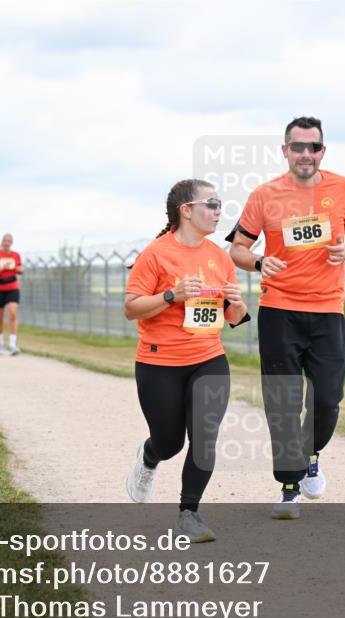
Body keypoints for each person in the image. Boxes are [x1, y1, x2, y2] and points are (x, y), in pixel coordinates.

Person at [226, 116, 345, 520]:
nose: (306, 154)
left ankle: (311, 454)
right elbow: (237, 247)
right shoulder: (264, 195)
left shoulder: (342, 188)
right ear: (284, 150)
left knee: (327, 399)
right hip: (279, 311)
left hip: (327, 311)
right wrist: (257, 262)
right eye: (298, 146)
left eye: (314, 147)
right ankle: (289, 487)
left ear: (323, 151)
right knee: (283, 402)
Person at [124, 179, 249, 543]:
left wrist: (238, 304)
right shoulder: (156, 255)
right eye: (211, 203)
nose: (218, 210)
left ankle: (188, 513)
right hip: (159, 363)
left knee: (205, 438)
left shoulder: (219, 256)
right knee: (169, 443)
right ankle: (149, 457)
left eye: (219, 203)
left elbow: (233, 318)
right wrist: (171, 294)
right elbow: (131, 308)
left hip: (208, 358)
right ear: (187, 210)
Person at [0, 233, 24, 355]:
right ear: (2, 242)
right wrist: (0, 269)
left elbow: (19, 268)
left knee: (13, 314)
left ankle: (12, 344)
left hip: (12, 287)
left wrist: (20, 270)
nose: (7, 243)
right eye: (5, 241)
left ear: (12, 242)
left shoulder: (15, 255)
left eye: (9, 241)